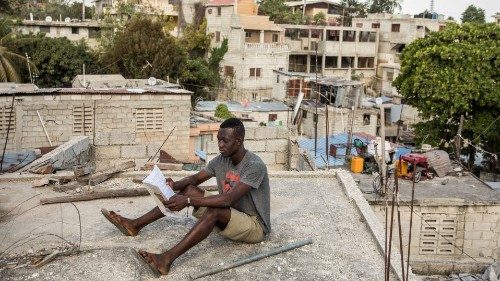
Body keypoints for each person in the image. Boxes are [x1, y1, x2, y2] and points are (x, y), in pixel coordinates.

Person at [101, 118, 271, 276]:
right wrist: (174, 185)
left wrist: (188, 201)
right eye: (218, 139)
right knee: (189, 189)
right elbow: (195, 179)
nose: (219, 145)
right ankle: (134, 225)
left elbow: (229, 199)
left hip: (254, 225)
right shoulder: (221, 160)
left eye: (224, 141)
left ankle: (165, 260)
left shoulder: (254, 166)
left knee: (213, 211)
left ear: (239, 141)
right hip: (232, 214)